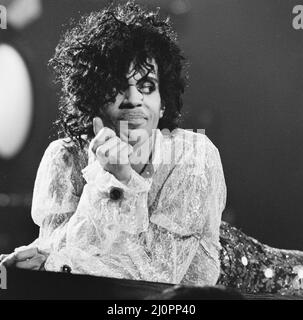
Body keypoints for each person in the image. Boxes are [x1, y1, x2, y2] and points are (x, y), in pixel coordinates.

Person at [0, 1, 226, 286]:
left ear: (163, 103)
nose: (133, 99)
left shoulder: (192, 153)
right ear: (92, 97)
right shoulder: (65, 157)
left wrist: (121, 179)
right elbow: (60, 251)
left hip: (241, 275)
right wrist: (30, 261)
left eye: (147, 86)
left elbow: (157, 275)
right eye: (117, 86)